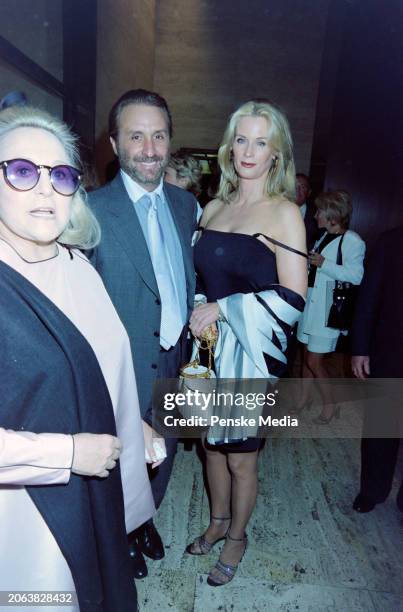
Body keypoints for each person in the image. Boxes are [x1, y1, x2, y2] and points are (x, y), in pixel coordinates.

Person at [0, 105, 154, 611]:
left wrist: (132, 424)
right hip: (29, 514)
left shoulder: (80, 266)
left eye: (61, 175)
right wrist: (66, 455)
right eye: (22, 171)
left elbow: (101, 367)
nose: (46, 189)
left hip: (96, 494)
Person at [187, 99, 307, 586]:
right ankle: (217, 523)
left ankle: (238, 536)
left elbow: (294, 297)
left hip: (249, 356)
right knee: (209, 449)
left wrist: (226, 309)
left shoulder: (284, 213)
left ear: (277, 153)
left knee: (240, 455)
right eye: (241, 139)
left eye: (261, 141)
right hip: (208, 352)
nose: (249, 151)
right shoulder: (214, 206)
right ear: (228, 146)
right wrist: (199, 306)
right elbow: (201, 276)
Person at [87, 89, 198, 579]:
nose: (150, 149)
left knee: (165, 451)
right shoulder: (88, 210)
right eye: (136, 136)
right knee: (120, 460)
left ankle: (144, 521)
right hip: (121, 363)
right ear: (114, 143)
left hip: (174, 356)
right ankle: (120, 534)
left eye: (159, 136)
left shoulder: (185, 204)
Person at [297, 190, 366, 422]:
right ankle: (303, 399)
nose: (315, 215)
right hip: (310, 306)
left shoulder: (352, 240)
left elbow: (356, 276)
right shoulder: (323, 236)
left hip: (328, 311)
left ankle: (331, 405)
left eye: (319, 211)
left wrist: (324, 263)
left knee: (314, 361)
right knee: (306, 356)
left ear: (333, 215)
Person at [351, 225, 403, 513]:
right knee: (381, 426)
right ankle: (372, 490)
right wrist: (360, 347)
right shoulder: (392, 240)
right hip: (391, 352)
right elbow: (369, 297)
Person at [295, 172, 319, 250]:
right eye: (294, 186)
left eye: (302, 187)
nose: (297, 190)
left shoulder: (317, 214)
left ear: (309, 192)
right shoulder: (278, 211)